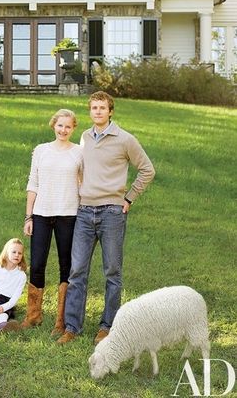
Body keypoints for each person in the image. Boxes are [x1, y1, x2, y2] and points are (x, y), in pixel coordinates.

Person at [57, 91, 155, 345]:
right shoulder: (85, 137)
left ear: (110, 111)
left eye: (102, 108)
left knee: (112, 271)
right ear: (90, 112)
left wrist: (129, 198)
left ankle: (108, 326)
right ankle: (71, 327)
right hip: (85, 212)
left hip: (112, 212)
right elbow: (81, 170)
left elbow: (147, 170)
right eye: (93, 108)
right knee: (77, 270)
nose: (97, 111)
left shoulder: (125, 139)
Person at [22, 109, 83, 335]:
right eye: (60, 125)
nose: (63, 130)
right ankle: (33, 316)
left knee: (67, 266)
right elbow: (33, 182)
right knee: (37, 264)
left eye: (68, 126)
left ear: (73, 128)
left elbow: (83, 183)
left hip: (69, 215)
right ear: (53, 125)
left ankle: (62, 321)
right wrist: (29, 216)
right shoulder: (41, 151)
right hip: (41, 214)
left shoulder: (79, 152)